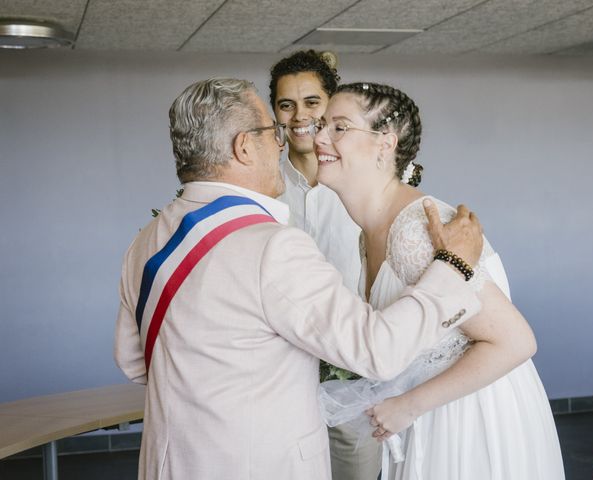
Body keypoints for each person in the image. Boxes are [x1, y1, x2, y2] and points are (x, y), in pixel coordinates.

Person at [114, 77, 486, 480]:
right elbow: (377, 351)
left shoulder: (146, 241)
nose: (282, 143)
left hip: (166, 463)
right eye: (272, 132)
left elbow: (133, 362)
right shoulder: (272, 247)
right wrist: (452, 267)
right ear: (244, 146)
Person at [313, 82, 565, 479]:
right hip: (428, 412)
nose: (320, 137)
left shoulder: (415, 231)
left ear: (385, 143)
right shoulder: (369, 230)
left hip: (472, 421)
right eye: (322, 125)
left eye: (339, 127)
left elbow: (516, 341)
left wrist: (408, 405)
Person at [269, 50, 380, 480]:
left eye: (312, 101)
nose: (300, 116)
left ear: (331, 105)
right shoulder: (263, 192)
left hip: (352, 378)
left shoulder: (367, 186)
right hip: (278, 379)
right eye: (286, 104)